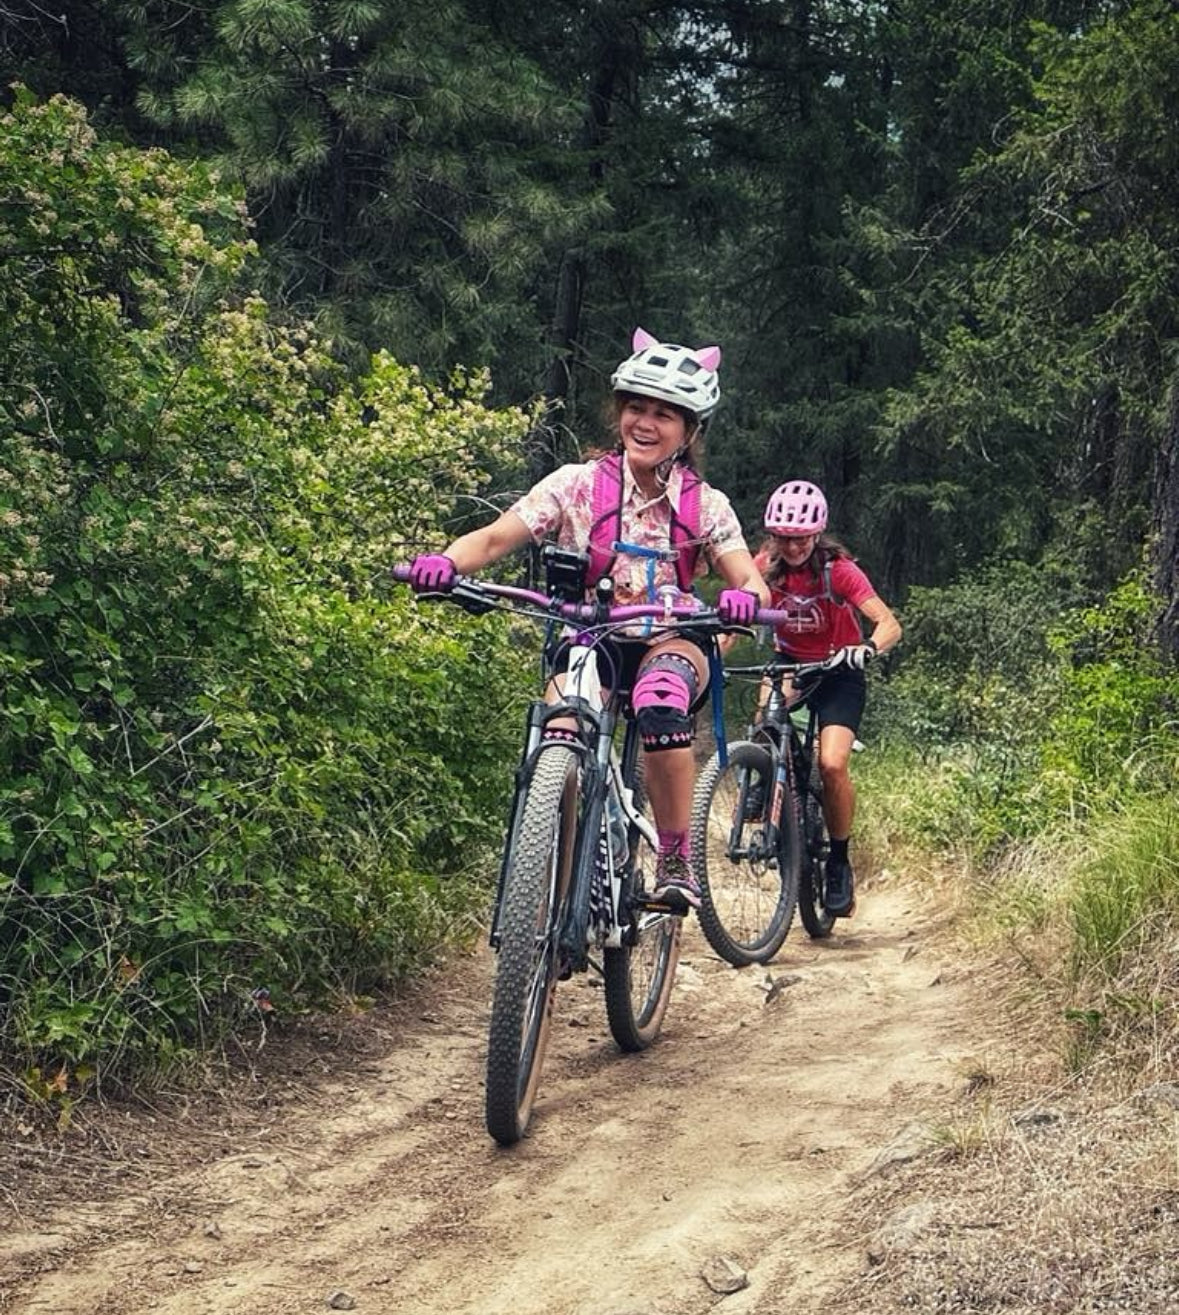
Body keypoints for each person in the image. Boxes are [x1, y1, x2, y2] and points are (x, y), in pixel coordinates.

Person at [407, 327, 769, 911]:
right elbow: (498, 537)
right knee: (563, 725)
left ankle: (675, 856)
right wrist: (445, 561)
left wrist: (743, 598)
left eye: (664, 415)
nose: (645, 424)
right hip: (590, 635)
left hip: (670, 638)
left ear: (690, 430)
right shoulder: (576, 486)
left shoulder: (706, 505)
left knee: (658, 701)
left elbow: (746, 575)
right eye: (635, 408)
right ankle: (555, 869)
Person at [754, 479, 901, 917]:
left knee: (832, 765)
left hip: (840, 671)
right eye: (783, 536)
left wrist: (868, 648)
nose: (792, 546)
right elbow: (738, 611)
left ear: (816, 535)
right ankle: (770, 787)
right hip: (791, 664)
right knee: (765, 724)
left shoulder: (839, 571)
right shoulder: (765, 565)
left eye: (799, 538)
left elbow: (889, 624)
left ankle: (838, 860)